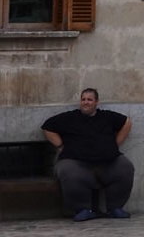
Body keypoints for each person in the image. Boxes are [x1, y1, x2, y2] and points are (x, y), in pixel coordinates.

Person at [41, 87, 134, 222]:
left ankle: (115, 207)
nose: (86, 102)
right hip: (76, 161)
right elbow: (47, 127)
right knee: (68, 171)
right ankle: (83, 209)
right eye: (83, 99)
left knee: (125, 167)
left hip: (108, 161)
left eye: (89, 100)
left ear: (96, 102)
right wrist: (60, 145)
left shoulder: (107, 117)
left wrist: (115, 144)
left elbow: (127, 122)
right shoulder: (70, 117)